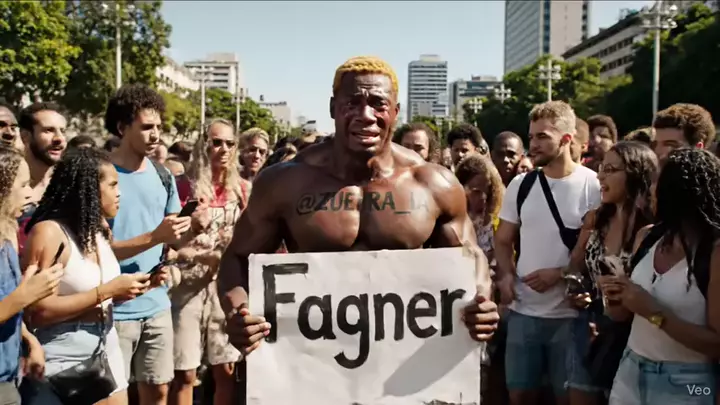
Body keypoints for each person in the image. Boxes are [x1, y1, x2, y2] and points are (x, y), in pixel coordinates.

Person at [217, 57, 499, 373]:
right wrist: (239, 312)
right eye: (353, 103)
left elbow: (469, 256)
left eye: (378, 104)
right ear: (332, 107)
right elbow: (237, 258)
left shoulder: (433, 184)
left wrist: (481, 301)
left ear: (395, 111)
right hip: (310, 366)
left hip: (404, 367)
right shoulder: (285, 182)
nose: (366, 115)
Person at [21, 148, 159, 405]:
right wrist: (107, 291)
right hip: (62, 354)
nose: (119, 193)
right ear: (90, 189)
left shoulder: (96, 231)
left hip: (107, 346)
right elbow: (36, 312)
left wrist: (135, 287)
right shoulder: (49, 233)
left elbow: (95, 294)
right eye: (113, 185)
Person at [494, 101, 602, 405]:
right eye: (531, 137)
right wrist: (506, 276)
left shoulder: (593, 185)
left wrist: (561, 274)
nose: (533, 144)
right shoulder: (521, 184)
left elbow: (600, 250)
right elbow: (503, 240)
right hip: (523, 313)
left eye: (542, 137)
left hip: (573, 317)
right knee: (520, 396)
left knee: (569, 398)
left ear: (566, 139)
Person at [103, 84, 202, 405]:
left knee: (158, 391)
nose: (156, 134)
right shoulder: (100, 177)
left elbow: (171, 238)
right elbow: (94, 251)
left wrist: (190, 228)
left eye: (159, 126)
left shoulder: (162, 175)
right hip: (113, 309)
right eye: (147, 127)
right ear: (122, 128)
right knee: (114, 397)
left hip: (158, 304)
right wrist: (156, 237)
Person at [606, 148, 720, 405]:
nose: (650, 190)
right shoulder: (647, 237)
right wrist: (616, 296)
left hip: (689, 383)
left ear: (678, 190)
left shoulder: (714, 254)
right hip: (630, 370)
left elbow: (717, 344)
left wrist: (654, 313)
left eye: (657, 181)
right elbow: (621, 315)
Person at [564, 141, 658, 405]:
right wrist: (577, 289)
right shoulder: (596, 219)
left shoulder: (652, 227)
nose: (600, 177)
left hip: (635, 334)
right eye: (601, 169)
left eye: (610, 170)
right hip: (591, 325)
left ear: (635, 174)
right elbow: (575, 265)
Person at [170, 119, 246, 405]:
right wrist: (192, 229)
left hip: (224, 285)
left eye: (229, 143)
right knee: (185, 373)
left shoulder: (242, 190)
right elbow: (170, 244)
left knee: (225, 369)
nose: (223, 149)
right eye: (216, 142)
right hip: (185, 286)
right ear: (203, 146)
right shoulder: (183, 187)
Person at [0, 145, 60, 405]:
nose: (30, 193)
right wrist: (26, 294)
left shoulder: (7, 234)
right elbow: (14, 300)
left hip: (11, 374)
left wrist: (29, 340)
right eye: (23, 185)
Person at [16, 103, 68, 253]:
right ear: (25, 136)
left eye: (62, 131)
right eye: (48, 130)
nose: (59, 138)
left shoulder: (68, 184)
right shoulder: (8, 185)